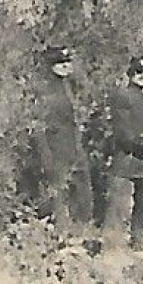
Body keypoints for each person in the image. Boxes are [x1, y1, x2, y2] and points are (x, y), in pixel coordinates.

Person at [102, 55, 143, 253]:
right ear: (130, 75)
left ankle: (140, 246)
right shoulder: (123, 96)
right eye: (138, 72)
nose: (142, 76)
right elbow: (123, 134)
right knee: (117, 208)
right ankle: (111, 250)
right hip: (127, 160)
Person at [34, 45, 92, 239]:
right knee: (58, 194)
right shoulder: (44, 90)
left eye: (68, 62)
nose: (66, 66)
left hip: (73, 146)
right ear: (51, 65)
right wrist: (46, 156)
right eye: (60, 63)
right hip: (55, 147)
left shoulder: (68, 85)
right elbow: (38, 126)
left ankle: (78, 234)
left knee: (82, 190)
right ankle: (59, 238)